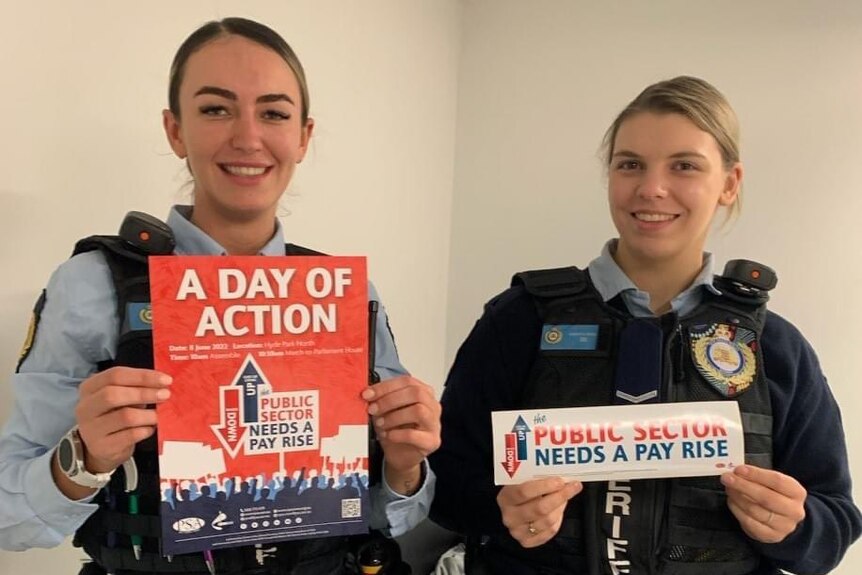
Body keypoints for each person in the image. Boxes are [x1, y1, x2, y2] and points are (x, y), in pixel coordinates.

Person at [0, 17, 441, 575]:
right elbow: (8, 519)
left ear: (303, 137)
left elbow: (389, 513)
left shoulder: (344, 296)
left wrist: (405, 467)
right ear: (175, 130)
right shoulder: (92, 286)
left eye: (274, 113)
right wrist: (83, 459)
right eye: (215, 109)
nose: (248, 137)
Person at [429, 76, 861, 574]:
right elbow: (442, 486)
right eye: (630, 164)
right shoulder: (520, 319)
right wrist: (499, 507)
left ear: (729, 183)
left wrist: (797, 525)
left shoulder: (774, 346)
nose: (651, 188)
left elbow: (835, 524)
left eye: (684, 166)